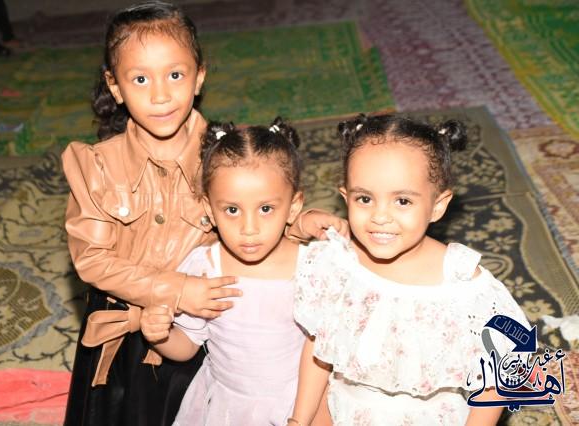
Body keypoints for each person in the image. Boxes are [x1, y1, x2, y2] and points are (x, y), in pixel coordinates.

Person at [61, 2, 346, 425]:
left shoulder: (221, 156)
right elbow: (92, 259)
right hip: (128, 330)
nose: (160, 95)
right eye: (140, 79)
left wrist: (297, 222)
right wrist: (178, 289)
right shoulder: (95, 165)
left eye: (175, 75)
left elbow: (255, 204)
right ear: (115, 86)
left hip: (206, 328)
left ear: (199, 76)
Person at [288, 114, 530, 425]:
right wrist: (302, 419)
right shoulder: (338, 264)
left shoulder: (462, 284)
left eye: (402, 201)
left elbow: (501, 373)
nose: (380, 217)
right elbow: (319, 351)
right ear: (345, 197)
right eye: (364, 199)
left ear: (438, 205)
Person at [142, 118, 341, 425]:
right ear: (210, 210)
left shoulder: (312, 267)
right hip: (226, 407)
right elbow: (187, 347)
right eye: (232, 210)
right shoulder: (205, 266)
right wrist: (159, 335)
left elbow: (323, 356)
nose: (249, 228)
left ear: (293, 207)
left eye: (266, 209)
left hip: (300, 402)